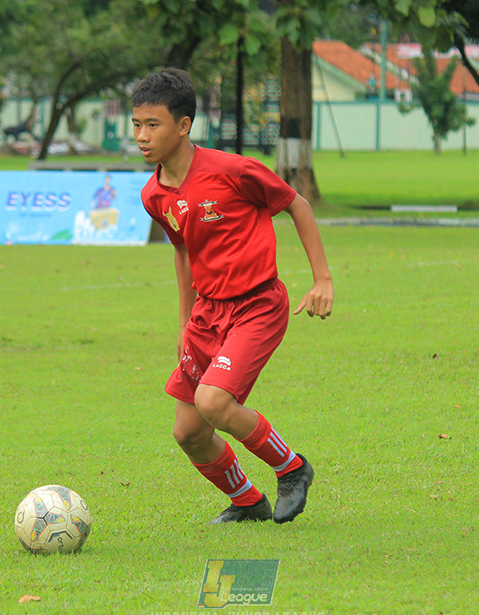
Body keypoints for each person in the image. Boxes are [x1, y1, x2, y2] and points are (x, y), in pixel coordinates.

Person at [131, 68, 334, 525]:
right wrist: (185, 323)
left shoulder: (232, 170)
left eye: (153, 125)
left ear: (183, 126)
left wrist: (322, 279)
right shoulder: (154, 195)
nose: (142, 137)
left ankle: (293, 468)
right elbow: (182, 252)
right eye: (137, 126)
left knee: (215, 403)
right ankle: (247, 501)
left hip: (257, 305)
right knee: (188, 432)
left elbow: (297, 205)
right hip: (207, 315)